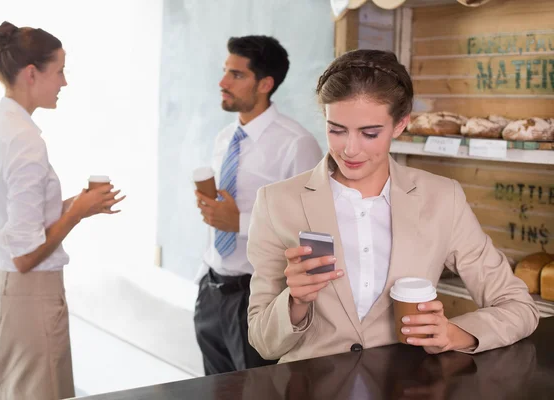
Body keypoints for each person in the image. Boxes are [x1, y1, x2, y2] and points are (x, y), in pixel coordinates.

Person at [246, 49, 539, 364]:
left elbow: (519, 307)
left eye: (370, 133)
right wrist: (295, 301)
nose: (350, 149)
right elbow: (263, 342)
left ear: (401, 124)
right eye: (336, 129)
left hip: (407, 386)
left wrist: (454, 333)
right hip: (309, 387)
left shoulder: (442, 199)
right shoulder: (277, 202)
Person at [0, 21, 125, 399]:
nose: (64, 83)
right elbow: (25, 255)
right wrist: (74, 215)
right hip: (28, 297)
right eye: (59, 71)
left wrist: (80, 203)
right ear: (31, 74)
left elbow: (17, 221)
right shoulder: (24, 142)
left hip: (2, 291)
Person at [193, 35, 323, 375]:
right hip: (211, 291)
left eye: (236, 75)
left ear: (265, 83)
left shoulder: (298, 144)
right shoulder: (224, 138)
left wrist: (237, 222)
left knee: (258, 391)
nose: (222, 82)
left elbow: (313, 229)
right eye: (225, 71)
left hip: (259, 296)